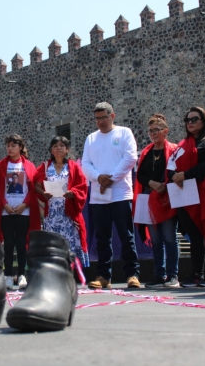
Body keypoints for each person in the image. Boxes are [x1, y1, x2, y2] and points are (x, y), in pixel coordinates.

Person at [81, 102, 141, 289]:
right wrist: (98, 177)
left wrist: (111, 178)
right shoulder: (91, 138)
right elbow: (85, 164)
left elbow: (130, 158)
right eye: (97, 118)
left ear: (112, 116)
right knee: (102, 237)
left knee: (126, 236)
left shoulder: (124, 133)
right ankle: (103, 276)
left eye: (104, 117)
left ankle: (132, 274)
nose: (101, 122)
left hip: (120, 193)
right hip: (99, 196)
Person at [170, 107, 205, 287]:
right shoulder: (182, 145)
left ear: (204, 120)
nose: (190, 122)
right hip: (187, 196)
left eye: (194, 119)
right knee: (195, 235)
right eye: (187, 119)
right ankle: (196, 274)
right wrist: (174, 176)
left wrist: (186, 174)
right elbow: (172, 167)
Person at [133, 114, 179, 288]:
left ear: (165, 131)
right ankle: (159, 275)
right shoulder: (146, 152)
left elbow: (175, 170)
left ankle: (173, 275)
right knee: (156, 239)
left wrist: (163, 186)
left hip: (166, 199)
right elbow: (141, 175)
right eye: (150, 131)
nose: (153, 134)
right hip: (150, 200)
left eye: (156, 130)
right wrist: (152, 183)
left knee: (169, 237)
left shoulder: (174, 149)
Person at [0, 134, 40, 290]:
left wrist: (25, 204)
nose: (10, 148)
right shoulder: (0, 166)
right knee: (8, 244)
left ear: (20, 147)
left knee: (21, 243)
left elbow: (32, 189)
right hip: (6, 211)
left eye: (13, 145)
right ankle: (7, 275)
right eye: (8, 145)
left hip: (23, 211)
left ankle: (21, 275)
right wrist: (4, 204)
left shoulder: (30, 166)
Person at [34, 136, 89, 268]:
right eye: (55, 146)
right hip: (52, 215)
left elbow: (82, 186)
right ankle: (54, 272)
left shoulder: (74, 167)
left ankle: (71, 273)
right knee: (53, 244)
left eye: (62, 145)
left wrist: (73, 193)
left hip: (68, 215)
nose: (59, 148)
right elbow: (36, 185)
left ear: (67, 149)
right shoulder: (45, 167)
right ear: (51, 150)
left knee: (70, 243)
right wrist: (43, 193)